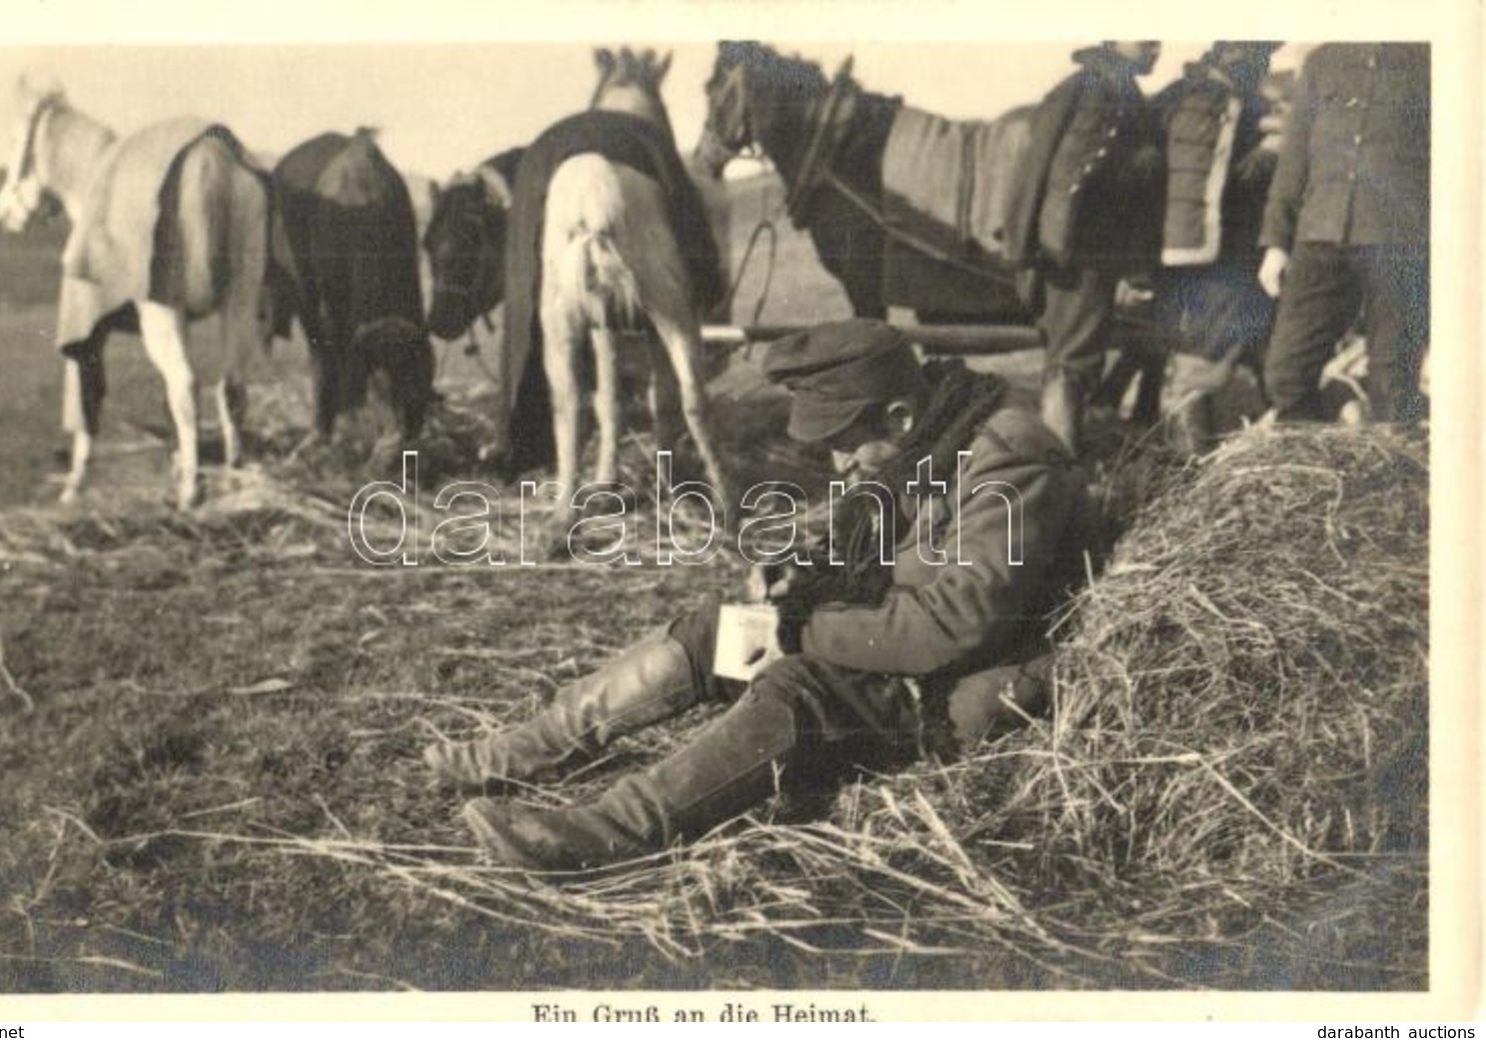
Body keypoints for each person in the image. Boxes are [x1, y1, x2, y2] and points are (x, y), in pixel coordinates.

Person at [424, 319, 1091, 872]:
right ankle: (518, 754)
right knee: (719, 630)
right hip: (900, 639)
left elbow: (959, 622)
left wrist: (799, 625)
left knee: (797, 682)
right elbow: (870, 549)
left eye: (842, 444)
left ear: (895, 413)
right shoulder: (924, 438)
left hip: (956, 682)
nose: (838, 466)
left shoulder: (1007, 455)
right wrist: (799, 577)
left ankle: (603, 835)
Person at [1005, 41, 1165, 454]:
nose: (1155, 46)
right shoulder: (1083, 90)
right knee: (1071, 366)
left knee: (1077, 363)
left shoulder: (1121, 92)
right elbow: (1036, 169)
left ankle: (1062, 463)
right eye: (1145, 37)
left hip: (1094, 254)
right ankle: (1059, 469)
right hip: (1074, 254)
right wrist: (1024, 249)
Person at [1256, 43, 1430, 424]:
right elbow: (1294, 159)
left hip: (1401, 242)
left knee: (1394, 383)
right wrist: (1276, 244)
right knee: (1285, 375)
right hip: (1319, 235)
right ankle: (1316, 458)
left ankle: (1394, 474)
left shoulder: (1428, 59)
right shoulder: (1322, 61)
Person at [1152, 41, 1285, 455]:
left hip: (1191, 253)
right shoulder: (1223, 105)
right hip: (1221, 260)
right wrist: (1270, 157)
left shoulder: (1178, 97)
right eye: (1258, 55)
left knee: (1204, 357)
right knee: (1202, 363)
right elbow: (1223, 188)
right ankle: (1188, 476)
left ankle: (1188, 471)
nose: (1264, 64)